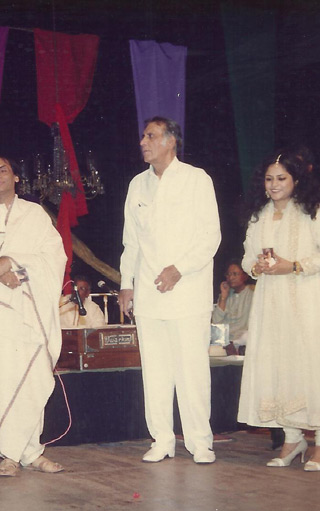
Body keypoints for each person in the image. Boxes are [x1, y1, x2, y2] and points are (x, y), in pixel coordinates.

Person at [237, 151, 320, 472]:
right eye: (269, 179)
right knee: (281, 366)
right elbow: (247, 257)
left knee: (314, 366)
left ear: (296, 180)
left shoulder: (314, 210)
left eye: (281, 178)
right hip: (272, 301)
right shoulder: (260, 214)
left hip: (310, 298)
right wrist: (256, 267)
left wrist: (294, 265)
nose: (274, 184)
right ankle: (293, 440)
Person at [119, 117, 221, 464]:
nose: (143, 142)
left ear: (170, 141)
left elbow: (210, 236)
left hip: (188, 291)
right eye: (143, 136)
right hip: (148, 295)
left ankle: (200, 442)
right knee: (156, 371)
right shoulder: (137, 185)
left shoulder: (196, 179)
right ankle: (162, 439)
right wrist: (126, 284)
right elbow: (131, 241)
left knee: (191, 369)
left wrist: (179, 268)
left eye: (150, 136)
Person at [0, 155, 67, 477]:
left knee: (30, 377)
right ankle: (8, 454)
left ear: (16, 177)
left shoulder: (34, 214)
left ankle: (33, 452)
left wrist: (12, 260)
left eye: (2, 170)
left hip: (28, 310)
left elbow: (54, 256)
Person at [211, 260, 254, 354]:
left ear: (245, 276)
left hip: (243, 342)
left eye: (235, 274)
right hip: (224, 343)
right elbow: (215, 322)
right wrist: (223, 297)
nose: (231, 278)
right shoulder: (225, 295)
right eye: (228, 274)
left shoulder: (252, 294)